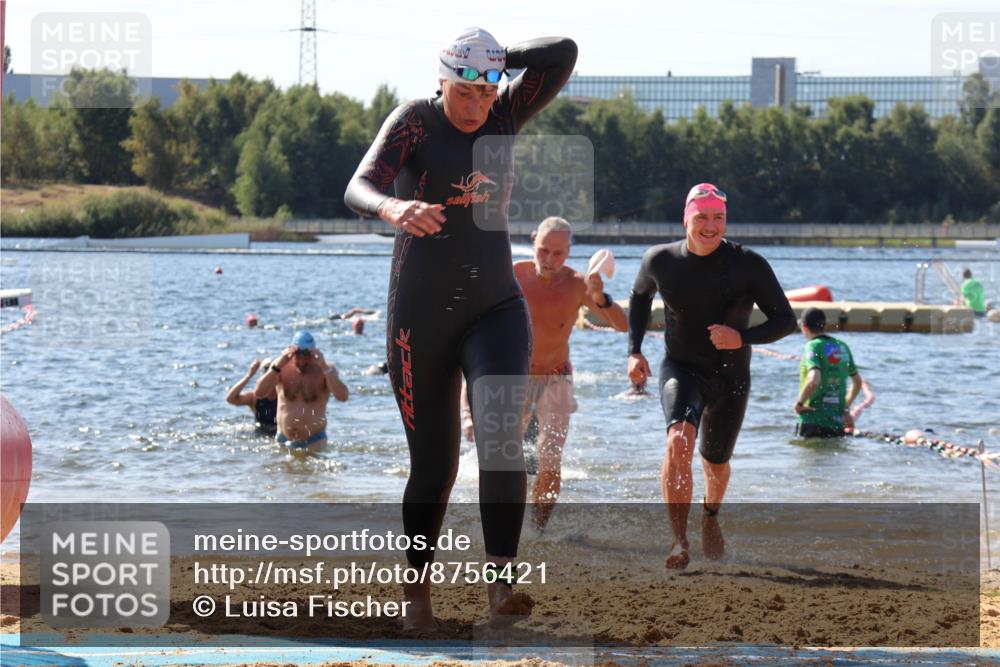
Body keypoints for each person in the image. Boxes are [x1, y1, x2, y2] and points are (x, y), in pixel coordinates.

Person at [344, 26, 577, 631]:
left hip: (495, 307)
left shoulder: (504, 114)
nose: (475, 107)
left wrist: (500, 60)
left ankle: (501, 584)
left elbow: (563, 54)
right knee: (436, 466)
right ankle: (416, 591)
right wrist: (393, 207)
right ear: (441, 83)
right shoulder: (415, 122)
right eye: (463, 92)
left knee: (502, 442)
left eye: (485, 91)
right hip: (420, 318)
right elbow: (357, 187)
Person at [627, 183, 796, 570]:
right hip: (681, 368)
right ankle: (678, 542)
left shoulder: (748, 263)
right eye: (701, 216)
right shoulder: (660, 260)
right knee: (679, 439)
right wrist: (634, 351)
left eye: (718, 217)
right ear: (686, 219)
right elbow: (639, 298)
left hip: (730, 377)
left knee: (715, 465)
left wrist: (742, 337)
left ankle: (710, 514)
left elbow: (785, 319)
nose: (710, 225)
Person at [513, 217, 627, 530]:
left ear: (568, 252)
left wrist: (601, 296)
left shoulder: (577, 284)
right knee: (509, 460)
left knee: (550, 459)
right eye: (543, 251)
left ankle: (538, 532)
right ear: (534, 242)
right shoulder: (513, 275)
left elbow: (622, 324)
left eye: (557, 254)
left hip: (556, 376)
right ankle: (508, 528)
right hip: (515, 376)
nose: (548, 260)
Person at [254, 330, 349, 450]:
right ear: (291, 352)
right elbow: (259, 392)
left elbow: (343, 397)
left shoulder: (325, 370)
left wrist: (324, 368)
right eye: (298, 355)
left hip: (314, 440)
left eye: (306, 355)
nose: (302, 361)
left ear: (314, 353)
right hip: (283, 438)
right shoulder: (280, 368)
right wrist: (277, 366)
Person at [793, 308, 863, 438]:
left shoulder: (812, 346)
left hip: (812, 419)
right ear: (825, 325)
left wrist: (799, 403)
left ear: (804, 327)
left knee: (809, 457)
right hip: (836, 421)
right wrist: (844, 406)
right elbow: (857, 383)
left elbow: (814, 378)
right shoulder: (842, 346)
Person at [225, 358, 278, 436]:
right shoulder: (254, 398)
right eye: (266, 370)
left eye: (271, 370)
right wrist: (249, 375)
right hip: (261, 434)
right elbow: (230, 399)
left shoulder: (283, 394)